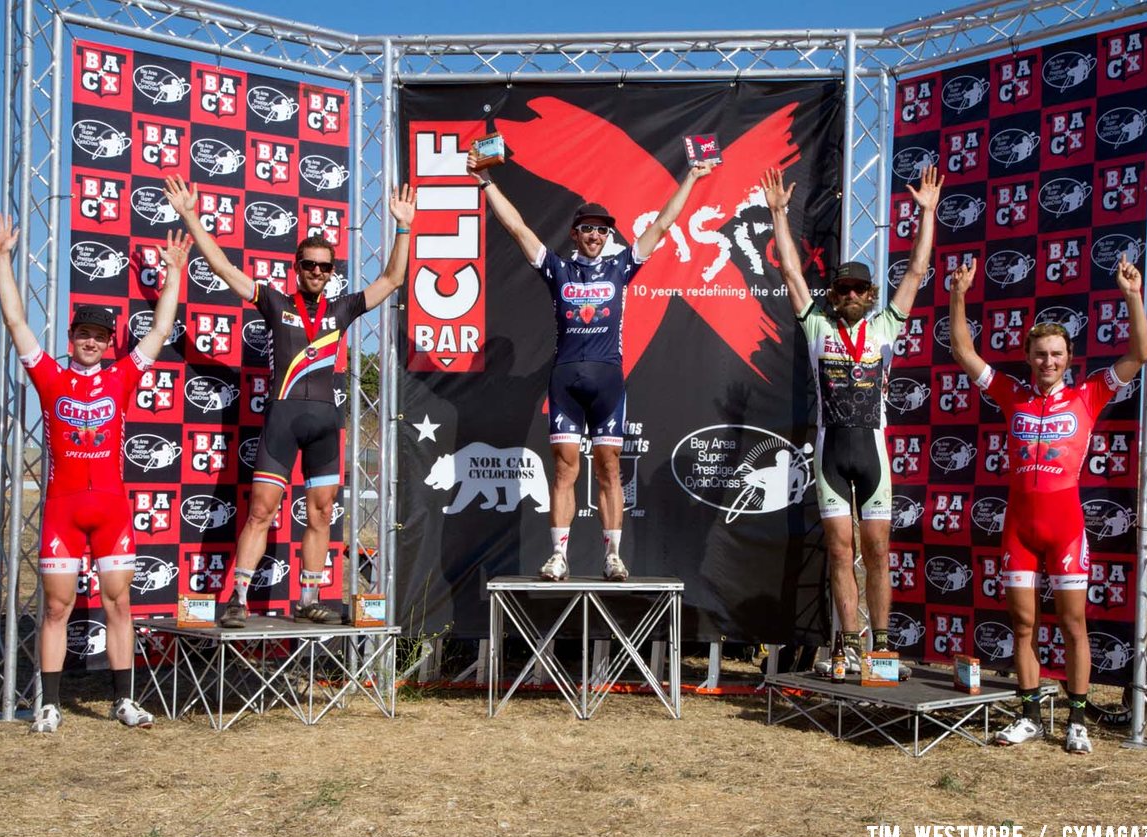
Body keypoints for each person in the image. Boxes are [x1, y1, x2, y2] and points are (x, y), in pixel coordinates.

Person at [164, 176, 416, 627]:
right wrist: (189, 215)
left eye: (325, 267)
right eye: (310, 265)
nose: (317, 272)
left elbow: (393, 278)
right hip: (283, 420)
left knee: (321, 513)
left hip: (324, 423)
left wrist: (403, 227)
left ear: (332, 271)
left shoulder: (343, 308)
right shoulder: (275, 301)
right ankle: (238, 598)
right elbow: (223, 267)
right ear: (296, 267)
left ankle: (308, 598)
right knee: (261, 510)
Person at [466, 151, 712, 582]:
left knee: (610, 467)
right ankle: (558, 556)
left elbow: (662, 224)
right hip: (565, 379)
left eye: (602, 229)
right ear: (575, 233)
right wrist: (485, 182)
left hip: (607, 382)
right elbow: (517, 227)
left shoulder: (622, 266)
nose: (595, 235)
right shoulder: (557, 268)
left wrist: (691, 177)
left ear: (608, 235)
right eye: (588, 229)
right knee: (563, 467)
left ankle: (612, 556)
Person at [0, 214, 190, 733]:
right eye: (84, 334)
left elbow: (163, 328)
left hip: (111, 511)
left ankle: (124, 701)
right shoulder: (50, 376)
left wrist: (174, 272)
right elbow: (16, 323)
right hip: (63, 510)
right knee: (56, 608)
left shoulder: (122, 376)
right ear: (73, 336)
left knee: (119, 603)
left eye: (101, 336)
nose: (91, 342)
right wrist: (1, 259)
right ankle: (49, 705)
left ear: (108, 343)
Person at [948, 254, 1147, 754]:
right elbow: (961, 350)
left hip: (1065, 525)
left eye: (1056, 354)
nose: (1048, 362)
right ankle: (1030, 716)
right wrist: (957, 295)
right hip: (1019, 525)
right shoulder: (1012, 394)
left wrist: (1132, 297)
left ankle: (1077, 720)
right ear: (1028, 356)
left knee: (1073, 625)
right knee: (1022, 625)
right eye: (1040, 354)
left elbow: (1141, 353)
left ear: (1069, 355)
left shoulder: (1090, 394)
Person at [762, 164, 943, 675]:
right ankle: (847, 644)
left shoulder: (886, 325)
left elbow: (914, 272)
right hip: (830, 453)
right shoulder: (816, 323)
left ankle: (882, 645)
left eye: (857, 290)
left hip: (873, 451)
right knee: (840, 552)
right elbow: (792, 273)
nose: (848, 296)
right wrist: (778, 213)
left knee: (878, 549)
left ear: (869, 296)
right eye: (841, 289)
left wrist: (927, 214)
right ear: (834, 294)